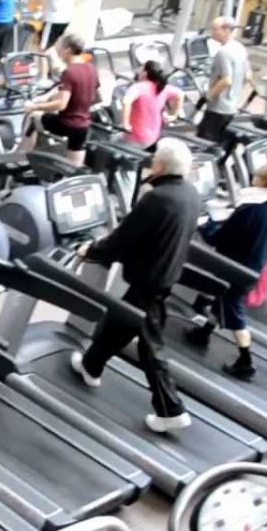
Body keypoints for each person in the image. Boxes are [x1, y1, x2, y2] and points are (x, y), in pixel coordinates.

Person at [73, 138, 200, 433]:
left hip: (149, 279)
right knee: (119, 320)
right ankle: (91, 365)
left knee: (150, 345)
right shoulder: (190, 194)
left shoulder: (156, 198)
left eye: (154, 158)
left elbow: (123, 238)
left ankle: (171, 409)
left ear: (160, 165)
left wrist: (91, 251)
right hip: (166, 274)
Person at [187, 159, 267, 380]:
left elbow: (221, 237)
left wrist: (205, 225)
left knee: (233, 310)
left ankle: (246, 360)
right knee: (222, 300)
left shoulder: (253, 209)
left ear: (265, 181)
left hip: (236, 267)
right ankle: (204, 332)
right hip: (254, 263)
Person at [19, 33, 99, 166]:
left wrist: (35, 107)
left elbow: (61, 105)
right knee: (74, 166)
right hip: (83, 125)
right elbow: (95, 95)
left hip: (67, 123)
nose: (59, 53)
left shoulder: (70, 72)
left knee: (33, 117)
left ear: (68, 50)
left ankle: (22, 157)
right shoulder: (91, 68)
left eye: (59, 49)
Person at [197, 16, 250, 155]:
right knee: (222, 144)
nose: (212, 32)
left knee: (204, 144)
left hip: (218, 108)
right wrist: (234, 93)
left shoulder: (223, 53)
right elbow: (248, 76)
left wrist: (208, 95)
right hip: (231, 107)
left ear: (226, 30)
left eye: (215, 29)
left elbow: (226, 80)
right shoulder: (240, 48)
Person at [121, 60, 183, 148]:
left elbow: (126, 102)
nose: (138, 72)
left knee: (111, 141)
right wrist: (174, 115)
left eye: (141, 69)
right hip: (154, 137)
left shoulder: (138, 87)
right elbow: (180, 94)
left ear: (145, 73)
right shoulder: (162, 87)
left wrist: (125, 124)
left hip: (136, 138)